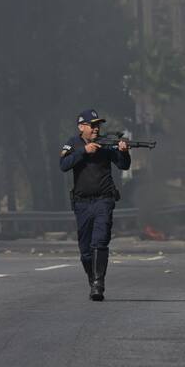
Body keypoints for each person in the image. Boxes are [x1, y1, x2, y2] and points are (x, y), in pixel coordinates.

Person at [59, 109, 131, 301]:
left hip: (103, 200)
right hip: (82, 204)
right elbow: (64, 165)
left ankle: (98, 283)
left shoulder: (107, 144)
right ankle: (92, 278)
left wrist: (124, 152)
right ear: (81, 127)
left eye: (98, 125)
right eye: (92, 125)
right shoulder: (72, 143)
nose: (96, 129)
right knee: (85, 252)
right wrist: (84, 151)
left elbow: (123, 165)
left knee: (99, 242)